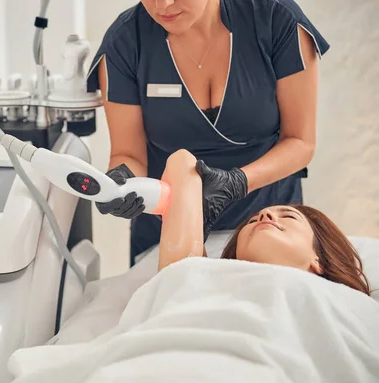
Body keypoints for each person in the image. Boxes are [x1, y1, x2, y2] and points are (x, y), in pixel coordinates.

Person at [87, 0, 330, 265]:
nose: (163, 5)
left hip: (266, 224)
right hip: (169, 231)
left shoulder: (276, 19)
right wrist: (120, 183)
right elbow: (128, 153)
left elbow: (300, 142)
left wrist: (237, 182)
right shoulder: (125, 41)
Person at [157, 149, 371, 296]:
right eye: (251, 221)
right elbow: (182, 162)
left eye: (288, 216)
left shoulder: (342, 302)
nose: (264, 215)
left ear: (320, 261)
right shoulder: (197, 280)